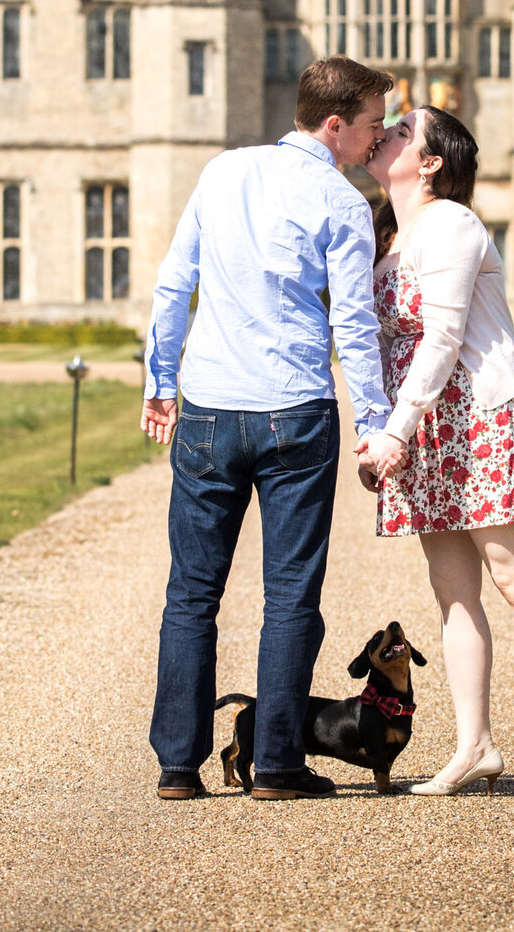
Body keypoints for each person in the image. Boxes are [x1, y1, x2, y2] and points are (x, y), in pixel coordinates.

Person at [143, 56, 395, 801]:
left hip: (210, 407)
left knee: (192, 592)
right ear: (335, 124)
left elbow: (171, 283)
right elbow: (353, 323)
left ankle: (178, 766)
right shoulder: (344, 203)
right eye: (375, 124)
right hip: (294, 410)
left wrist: (160, 383)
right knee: (289, 594)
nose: (380, 137)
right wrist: (374, 422)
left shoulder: (223, 171)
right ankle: (278, 766)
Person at [356, 106, 514, 804]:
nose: (387, 135)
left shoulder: (454, 223)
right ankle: (475, 745)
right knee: (451, 589)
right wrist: (377, 429)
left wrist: (394, 431)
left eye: (403, 131)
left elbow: (441, 338)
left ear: (430, 161)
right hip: (426, 426)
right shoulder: (387, 236)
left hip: (483, 417)